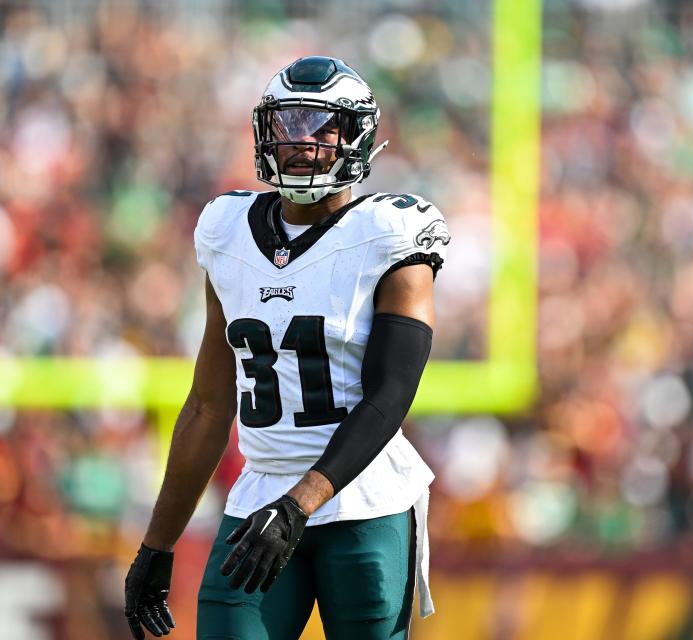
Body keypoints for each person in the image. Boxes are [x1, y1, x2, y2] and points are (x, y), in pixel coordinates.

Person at [124, 56, 450, 639]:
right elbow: (207, 405)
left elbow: (391, 394)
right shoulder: (227, 230)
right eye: (290, 124)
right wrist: (158, 543)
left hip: (363, 501)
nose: (303, 142)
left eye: (324, 127)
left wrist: (302, 503)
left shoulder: (391, 234)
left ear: (358, 137)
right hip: (261, 491)